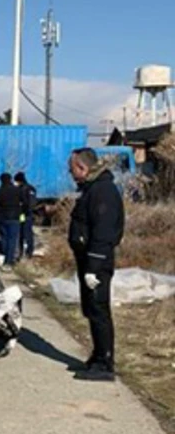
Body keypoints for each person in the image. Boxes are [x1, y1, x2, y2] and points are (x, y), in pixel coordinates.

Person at [68, 148, 125, 381]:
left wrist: (94, 267)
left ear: (83, 168)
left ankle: (105, 362)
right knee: (90, 309)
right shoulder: (91, 189)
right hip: (88, 260)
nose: (70, 173)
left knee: (99, 308)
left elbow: (103, 232)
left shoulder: (103, 192)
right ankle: (98, 355)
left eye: (72, 168)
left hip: (97, 262)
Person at [0, 173, 23, 267]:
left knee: (4, 238)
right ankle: (9, 260)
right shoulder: (17, 191)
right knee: (12, 239)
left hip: (2, 217)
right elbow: (24, 202)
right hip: (14, 217)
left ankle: (6, 256)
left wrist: (0, 210)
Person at [15, 171, 37, 259]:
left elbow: (30, 203)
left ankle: (28, 252)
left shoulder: (25, 189)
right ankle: (24, 252)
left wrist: (25, 211)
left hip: (25, 214)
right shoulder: (29, 188)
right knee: (23, 233)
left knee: (26, 233)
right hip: (24, 214)